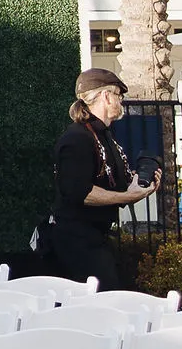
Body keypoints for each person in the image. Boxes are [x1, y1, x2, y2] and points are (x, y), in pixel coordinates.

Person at [47, 67, 155, 284]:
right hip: (76, 241)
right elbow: (80, 193)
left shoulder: (102, 135)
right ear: (106, 96)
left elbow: (113, 181)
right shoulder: (77, 138)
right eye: (118, 95)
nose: (121, 100)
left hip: (96, 238)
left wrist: (139, 183)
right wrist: (129, 197)